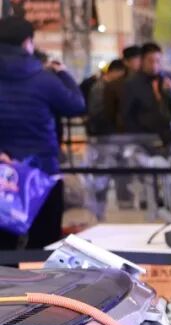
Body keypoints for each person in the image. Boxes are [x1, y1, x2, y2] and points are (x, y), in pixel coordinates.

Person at [0, 17, 85, 249]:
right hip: (41, 174)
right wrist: (63, 74)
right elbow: (76, 105)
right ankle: (40, 285)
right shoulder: (43, 78)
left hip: (3, 175)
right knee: (43, 244)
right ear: (27, 42)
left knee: (3, 247)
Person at [120, 42, 171, 141]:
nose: (154, 65)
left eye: (158, 61)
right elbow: (127, 115)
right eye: (150, 61)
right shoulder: (132, 83)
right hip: (145, 136)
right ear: (142, 60)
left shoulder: (170, 78)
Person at [86, 59, 126, 136]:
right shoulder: (101, 87)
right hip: (100, 129)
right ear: (114, 72)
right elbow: (96, 111)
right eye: (121, 75)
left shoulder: (103, 85)